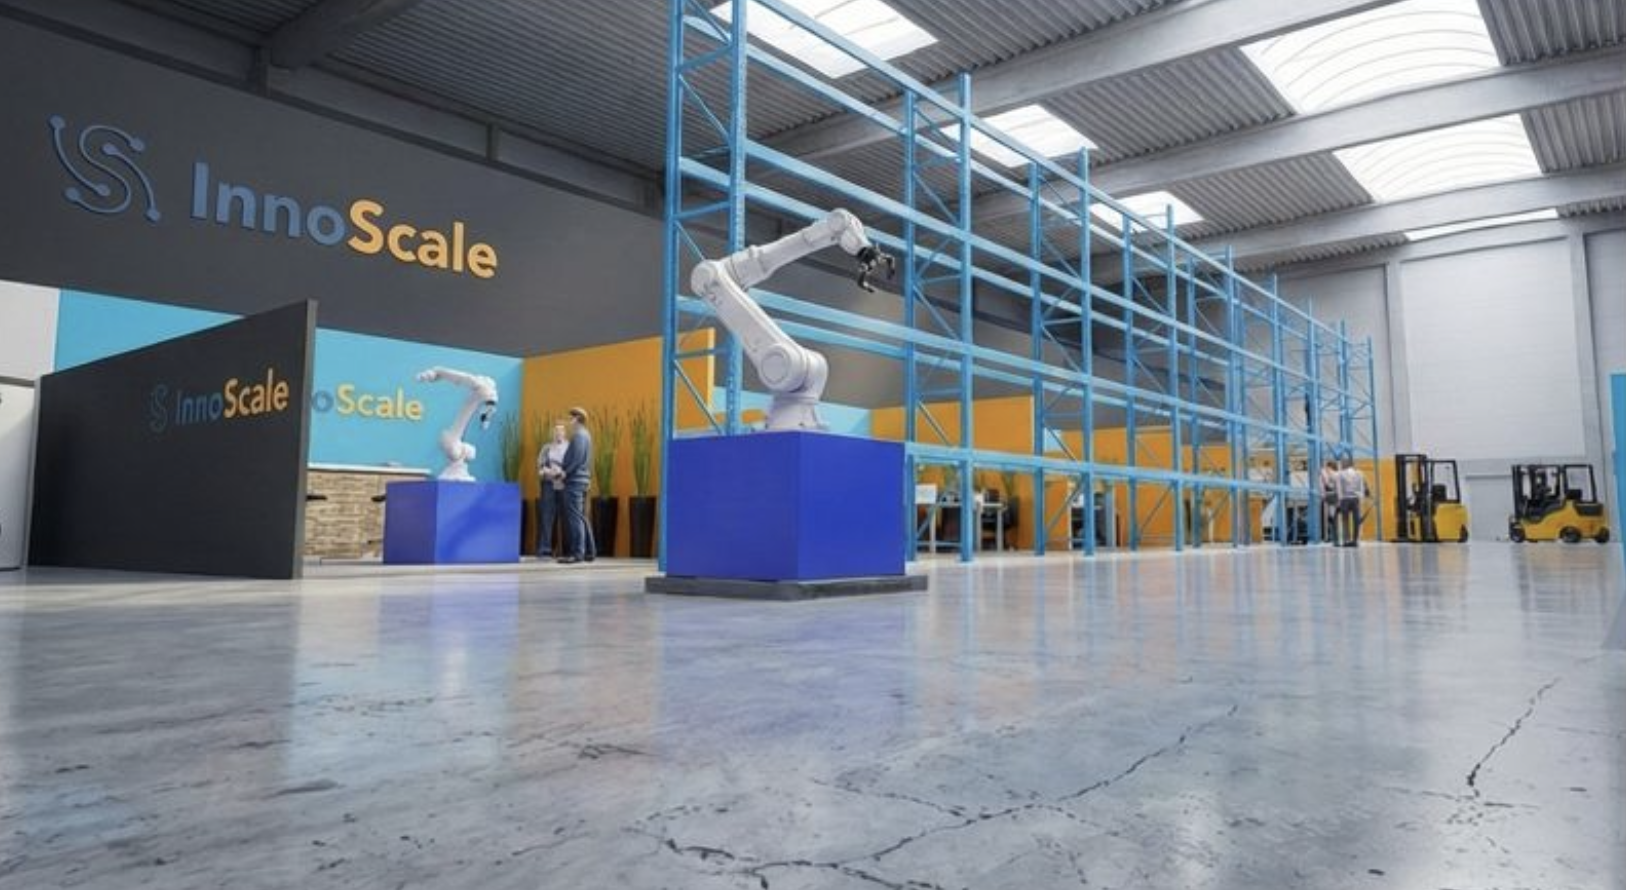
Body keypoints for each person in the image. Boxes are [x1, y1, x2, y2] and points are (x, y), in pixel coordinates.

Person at [558, 407, 594, 564]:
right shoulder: (586, 435)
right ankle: (590, 551)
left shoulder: (579, 436)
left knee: (574, 518)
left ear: (577, 418)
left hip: (574, 481)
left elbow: (577, 458)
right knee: (580, 517)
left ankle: (577, 553)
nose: (569, 421)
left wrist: (564, 472)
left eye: (571, 418)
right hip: (582, 480)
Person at [535, 422, 569, 558]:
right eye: (556, 431)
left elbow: (572, 466)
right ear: (552, 433)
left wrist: (561, 472)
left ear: (565, 433)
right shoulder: (546, 448)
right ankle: (545, 549)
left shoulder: (570, 447)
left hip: (565, 486)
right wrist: (548, 472)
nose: (558, 433)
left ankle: (567, 550)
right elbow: (540, 467)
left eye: (561, 431)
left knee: (566, 518)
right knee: (546, 517)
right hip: (549, 485)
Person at [1335, 457, 1368, 548]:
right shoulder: (1359, 473)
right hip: (1355, 499)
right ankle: (1355, 540)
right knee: (1356, 520)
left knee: (1345, 520)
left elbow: (1339, 488)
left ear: (1344, 464)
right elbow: (1361, 486)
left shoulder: (1339, 474)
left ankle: (1346, 540)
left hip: (1345, 499)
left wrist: (1339, 499)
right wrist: (1361, 497)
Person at [1319, 459, 1340, 545]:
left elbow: (1325, 485)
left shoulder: (1332, 473)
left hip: (1330, 496)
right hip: (1332, 496)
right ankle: (1331, 536)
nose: (1326, 469)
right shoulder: (1336, 474)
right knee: (1331, 517)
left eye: (1327, 467)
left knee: (1331, 517)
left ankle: (1332, 536)